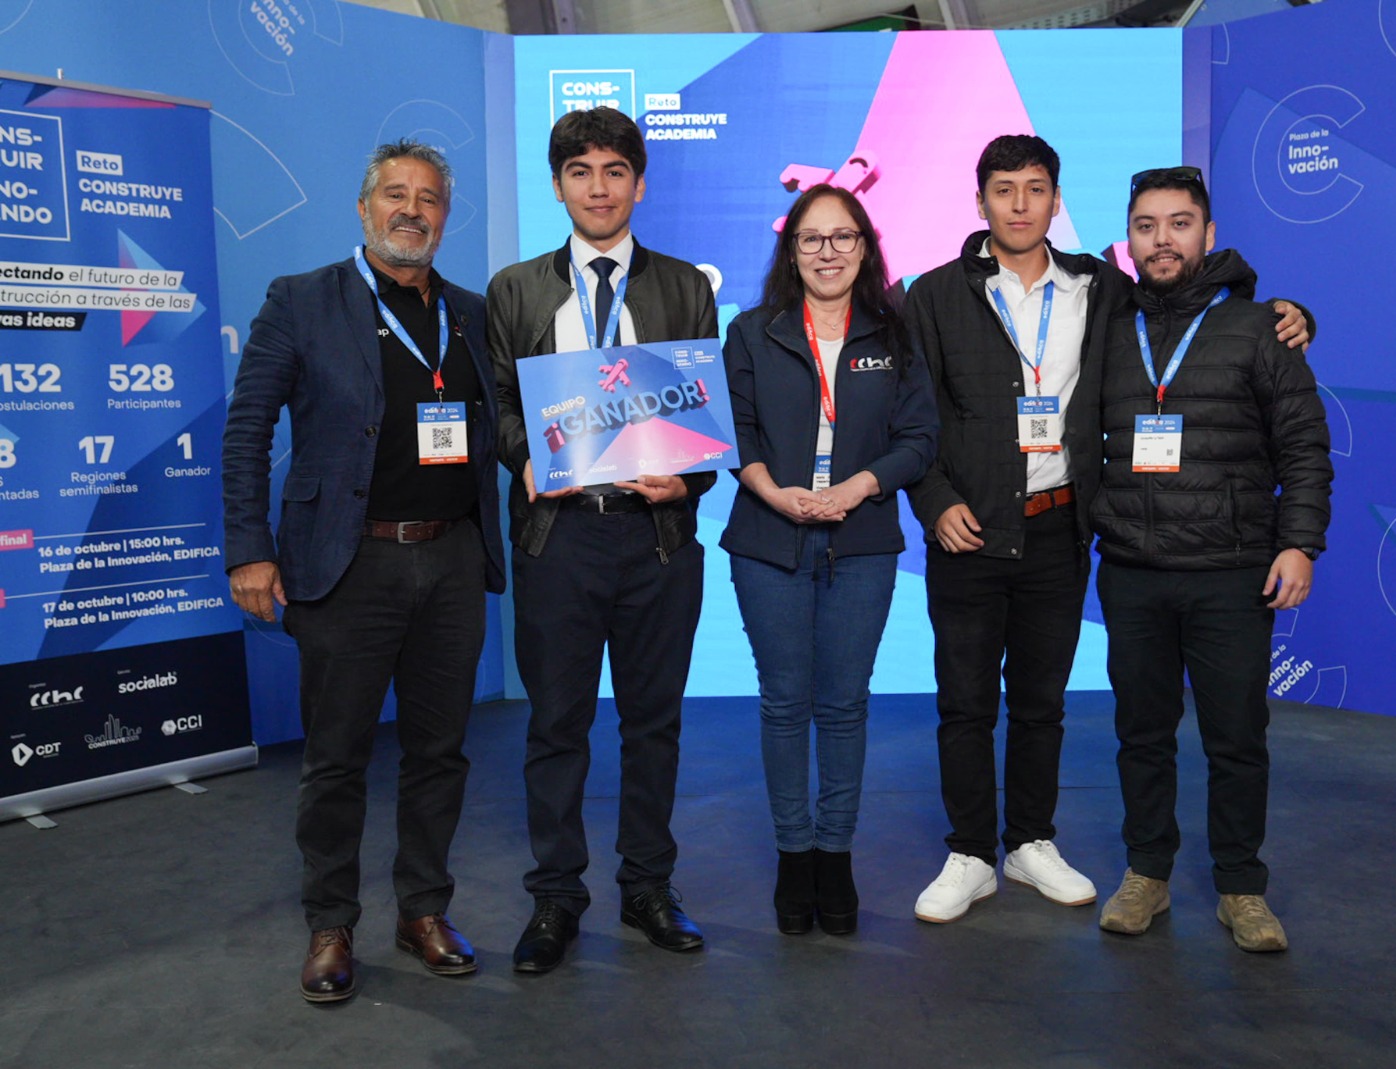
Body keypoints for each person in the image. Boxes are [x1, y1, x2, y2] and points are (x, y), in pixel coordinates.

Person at [903, 135, 1311, 924]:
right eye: (1003, 190)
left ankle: (1030, 841)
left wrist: (1292, 315)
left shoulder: (1101, 288)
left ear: (1057, 201)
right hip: (969, 532)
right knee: (965, 704)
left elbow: (1198, 295)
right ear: (979, 200)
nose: (1020, 204)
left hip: (1062, 531)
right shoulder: (933, 295)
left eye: (1035, 189)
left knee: (1042, 703)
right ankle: (969, 853)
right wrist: (934, 499)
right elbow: (911, 412)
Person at [222, 140, 505, 1002]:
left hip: (452, 559)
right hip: (347, 564)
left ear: (445, 216)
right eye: (395, 194)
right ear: (364, 207)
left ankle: (423, 909)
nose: (411, 210)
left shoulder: (471, 312)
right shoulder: (302, 299)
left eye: (429, 197)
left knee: (439, 752)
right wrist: (249, 548)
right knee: (337, 759)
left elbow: (508, 426)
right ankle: (330, 923)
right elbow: (247, 428)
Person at [488, 107, 717, 973]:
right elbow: (500, 405)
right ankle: (556, 895)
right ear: (557, 186)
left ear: (639, 184)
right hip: (561, 538)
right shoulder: (516, 288)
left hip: (658, 541)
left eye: (615, 170)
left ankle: (649, 885)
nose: (598, 188)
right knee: (557, 725)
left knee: (654, 726)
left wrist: (688, 479)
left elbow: (702, 410)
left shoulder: (683, 285)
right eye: (580, 171)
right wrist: (527, 457)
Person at [1092, 166, 1332, 952]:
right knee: (1141, 733)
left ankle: (1241, 886)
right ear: (1128, 240)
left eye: (1179, 223)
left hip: (1232, 571)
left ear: (1209, 233)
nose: (1162, 240)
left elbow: (1305, 445)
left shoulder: (1261, 327)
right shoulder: (1106, 325)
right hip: (1132, 569)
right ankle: (1146, 873)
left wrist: (1298, 542)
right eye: (1146, 226)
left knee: (1236, 737)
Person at [721, 186, 938, 935]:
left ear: (865, 247)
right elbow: (735, 431)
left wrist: (860, 485)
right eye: (811, 239)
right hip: (768, 538)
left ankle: (835, 855)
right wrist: (771, 492)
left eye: (843, 237)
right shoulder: (752, 332)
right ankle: (793, 857)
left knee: (844, 705)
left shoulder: (895, 333)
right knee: (785, 703)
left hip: (862, 539)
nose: (827, 252)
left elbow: (919, 437)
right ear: (791, 252)